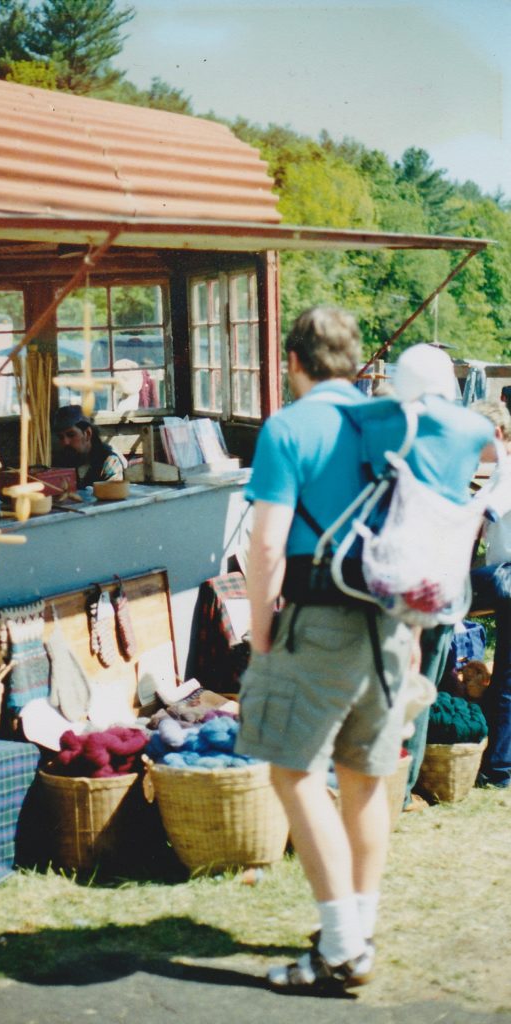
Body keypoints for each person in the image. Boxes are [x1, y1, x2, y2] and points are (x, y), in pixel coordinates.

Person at [235, 312, 493, 994]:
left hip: (316, 619)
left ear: (294, 360)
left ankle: (343, 947)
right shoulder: (391, 420)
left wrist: (261, 632)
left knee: (292, 771)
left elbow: (266, 545)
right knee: (365, 779)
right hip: (389, 624)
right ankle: (358, 929)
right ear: (353, 362)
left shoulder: (289, 428)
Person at [468, 397, 511, 788]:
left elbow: (484, 515)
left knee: (507, 682)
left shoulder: (507, 472)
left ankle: (498, 770)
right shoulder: (500, 472)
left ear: (496, 434)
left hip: (508, 578)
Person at [52, 404, 126, 487]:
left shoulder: (109, 462)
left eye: (71, 435)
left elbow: (114, 495)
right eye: (61, 437)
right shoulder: (60, 462)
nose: (65, 442)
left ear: (87, 433)